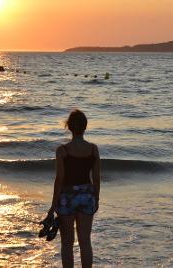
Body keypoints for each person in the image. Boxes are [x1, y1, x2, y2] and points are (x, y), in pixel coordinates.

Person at [48, 109, 101, 268]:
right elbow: (96, 178)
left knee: (67, 243)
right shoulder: (93, 149)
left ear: (69, 127)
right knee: (85, 242)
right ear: (85, 127)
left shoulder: (62, 150)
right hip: (87, 195)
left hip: (67, 197)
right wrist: (96, 198)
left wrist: (53, 206)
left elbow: (60, 180)